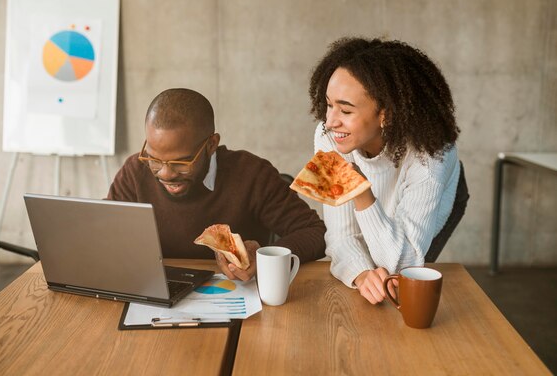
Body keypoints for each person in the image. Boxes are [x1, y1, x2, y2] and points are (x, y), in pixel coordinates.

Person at [108, 88, 326, 281]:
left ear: (211, 144)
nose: (165, 174)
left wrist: (264, 256)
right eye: (154, 159)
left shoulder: (251, 175)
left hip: (236, 298)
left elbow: (315, 233)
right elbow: (103, 234)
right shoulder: (135, 172)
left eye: (181, 162)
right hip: (158, 293)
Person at [308, 37, 461, 304]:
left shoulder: (433, 156)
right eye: (329, 104)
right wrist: (361, 274)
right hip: (374, 204)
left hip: (433, 196)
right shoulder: (327, 137)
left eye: (345, 109)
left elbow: (404, 261)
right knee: (371, 283)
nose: (330, 121)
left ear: (386, 115)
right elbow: (340, 235)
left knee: (401, 288)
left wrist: (361, 194)